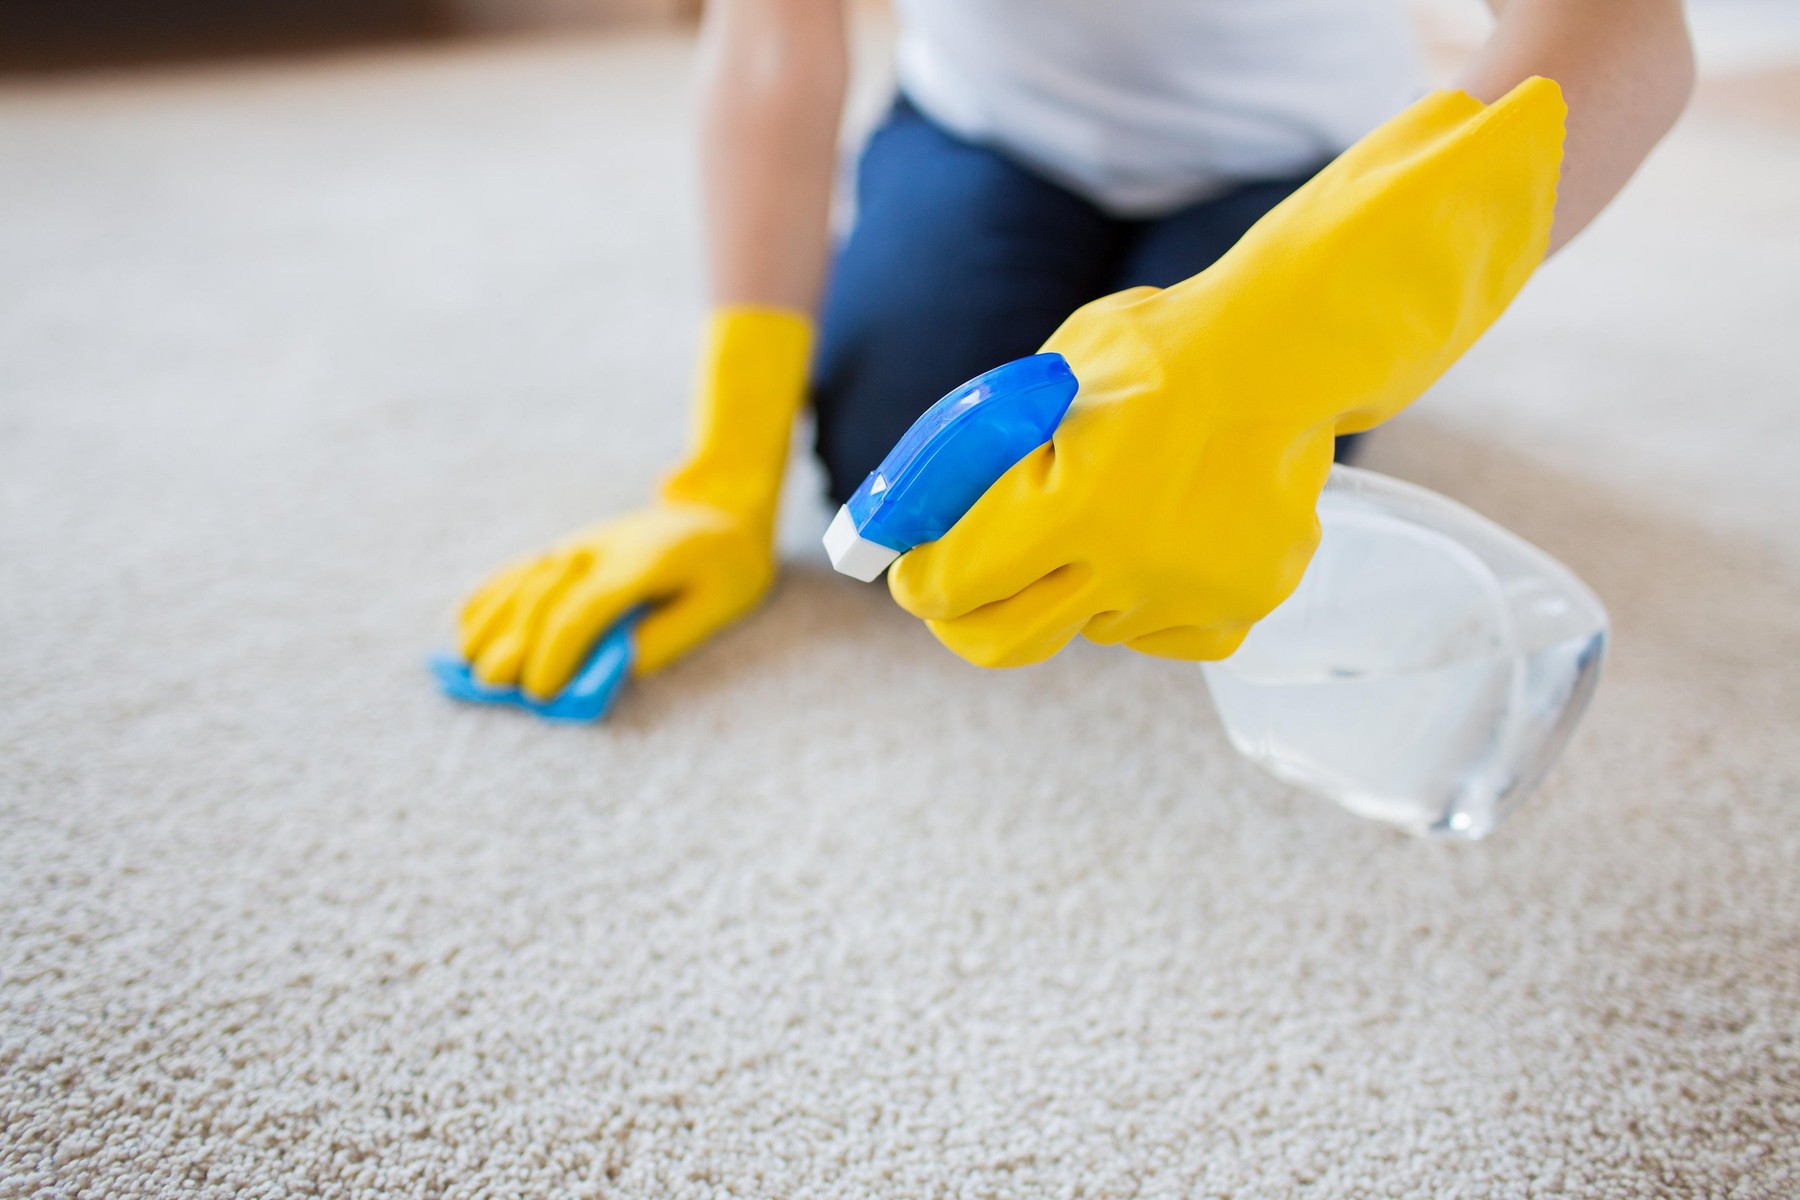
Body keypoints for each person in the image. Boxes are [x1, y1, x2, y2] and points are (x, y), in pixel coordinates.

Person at [456, 0, 1693, 696]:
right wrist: (723, 468)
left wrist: (1276, 340)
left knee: (1191, 465)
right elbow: (773, 32)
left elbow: (1624, 31)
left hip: (1286, 166)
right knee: (903, 447)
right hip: (991, 135)